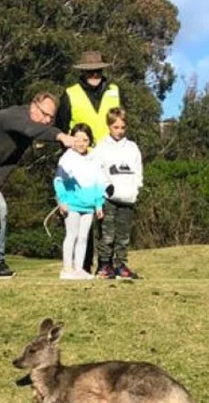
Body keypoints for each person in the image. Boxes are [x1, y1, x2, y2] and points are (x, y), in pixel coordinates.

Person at [0, 92, 76, 278]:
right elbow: (33, 130)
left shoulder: (26, 132)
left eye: (51, 117)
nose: (47, 120)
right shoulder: (17, 117)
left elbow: (12, 159)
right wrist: (60, 135)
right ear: (33, 106)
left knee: (1, 209)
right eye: (44, 114)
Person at [54, 51, 122, 272]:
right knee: (82, 217)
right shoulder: (70, 94)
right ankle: (80, 266)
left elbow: (120, 120)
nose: (94, 74)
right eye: (89, 71)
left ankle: (107, 265)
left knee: (107, 214)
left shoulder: (114, 91)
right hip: (81, 159)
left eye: (97, 70)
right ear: (82, 72)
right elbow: (62, 128)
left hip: (109, 158)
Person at [93, 107, 144, 279]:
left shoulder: (132, 147)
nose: (119, 131)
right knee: (107, 234)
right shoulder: (101, 147)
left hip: (128, 198)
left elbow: (138, 171)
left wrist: (136, 189)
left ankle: (120, 265)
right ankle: (105, 265)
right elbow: (98, 171)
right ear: (109, 126)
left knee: (123, 234)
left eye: (122, 127)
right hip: (109, 198)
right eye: (116, 127)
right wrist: (106, 189)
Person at [54, 123, 106, 280]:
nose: (81, 143)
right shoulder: (67, 157)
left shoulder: (95, 158)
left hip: (89, 206)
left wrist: (98, 204)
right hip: (72, 204)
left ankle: (79, 269)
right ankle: (67, 269)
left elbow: (99, 181)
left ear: (90, 140)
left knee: (83, 238)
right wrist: (62, 200)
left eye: (85, 139)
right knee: (72, 235)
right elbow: (58, 180)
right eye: (77, 139)